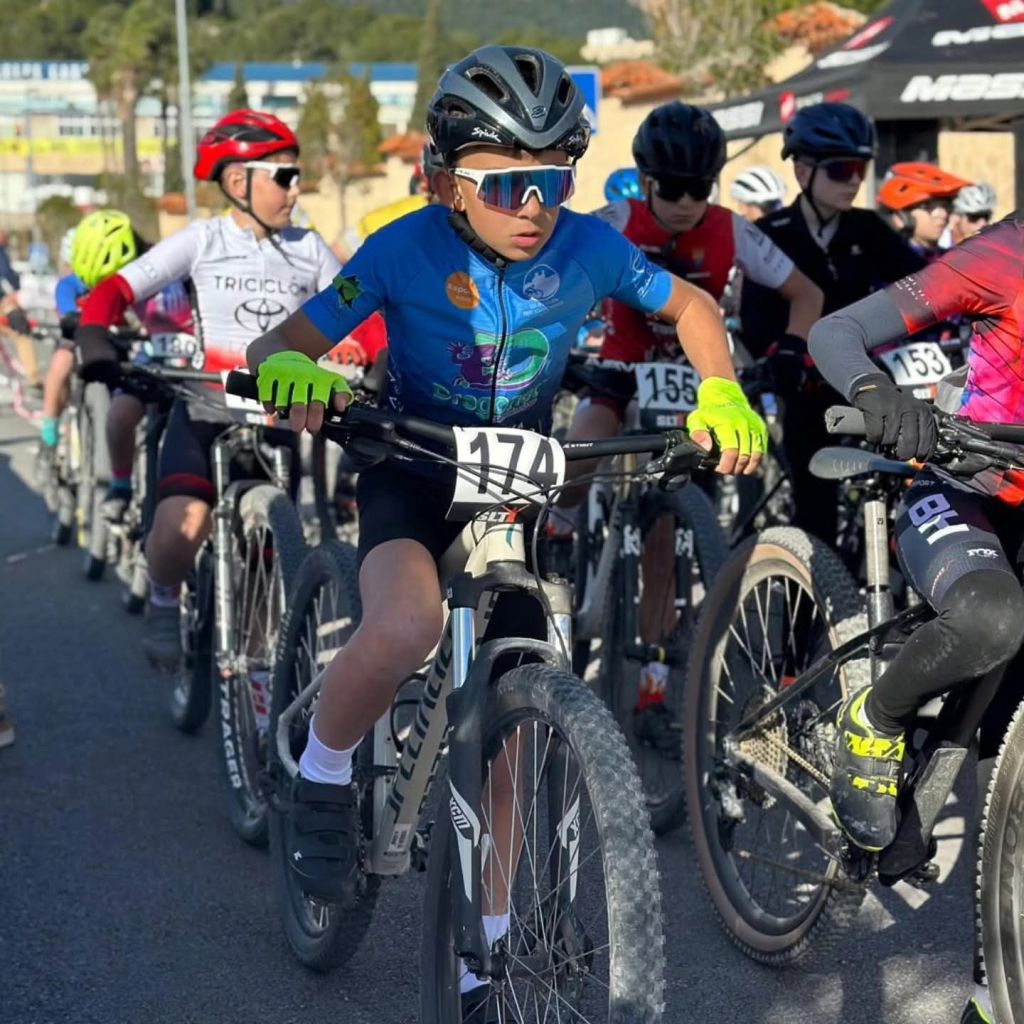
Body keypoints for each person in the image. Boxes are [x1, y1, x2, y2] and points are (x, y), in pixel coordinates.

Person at [244, 44, 766, 1023]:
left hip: (511, 487)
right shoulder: (399, 250)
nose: (533, 206)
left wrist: (721, 390)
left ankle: (488, 945)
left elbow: (692, 304)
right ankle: (320, 768)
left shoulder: (588, 248)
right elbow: (286, 341)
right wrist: (292, 370)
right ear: (446, 182)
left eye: (553, 181)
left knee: (516, 718)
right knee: (405, 625)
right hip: (407, 468)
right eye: (504, 184)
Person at [808, 211, 1024, 1024]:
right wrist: (879, 394)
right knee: (992, 620)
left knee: (1004, 761)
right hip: (968, 492)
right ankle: (876, 715)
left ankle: (991, 995)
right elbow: (837, 331)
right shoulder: (1003, 254)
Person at [562, 102, 819, 740]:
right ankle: (559, 539)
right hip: (621, 370)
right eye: (672, 189)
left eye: (699, 189)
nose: (685, 203)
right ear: (646, 181)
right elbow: (553, 274)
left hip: (693, 385)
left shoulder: (734, 231)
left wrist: (791, 347)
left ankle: (653, 686)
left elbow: (807, 294)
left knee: (663, 543)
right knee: (580, 447)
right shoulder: (615, 220)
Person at [75, 109, 341, 671]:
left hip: (278, 412)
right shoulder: (203, 239)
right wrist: (94, 336)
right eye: (285, 176)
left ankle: (260, 680)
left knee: (272, 556)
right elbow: (114, 291)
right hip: (205, 408)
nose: (296, 189)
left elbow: (359, 314)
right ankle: (163, 596)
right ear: (239, 181)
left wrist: (372, 351)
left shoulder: (310, 247)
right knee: (185, 524)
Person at [740, 102, 927, 545]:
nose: (855, 181)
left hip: (868, 378)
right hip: (803, 389)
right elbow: (755, 320)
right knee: (816, 508)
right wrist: (782, 357)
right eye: (842, 170)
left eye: (861, 169)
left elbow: (925, 286)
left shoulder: (869, 228)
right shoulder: (770, 232)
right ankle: (820, 582)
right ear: (802, 171)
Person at [876, 161, 971, 260]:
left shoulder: (951, 259)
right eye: (929, 206)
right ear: (901, 217)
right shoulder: (885, 261)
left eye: (945, 206)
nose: (943, 214)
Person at [942, 182, 997, 248]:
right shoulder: (937, 247)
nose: (983, 223)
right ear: (956, 217)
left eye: (986, 216)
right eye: (974, 217)